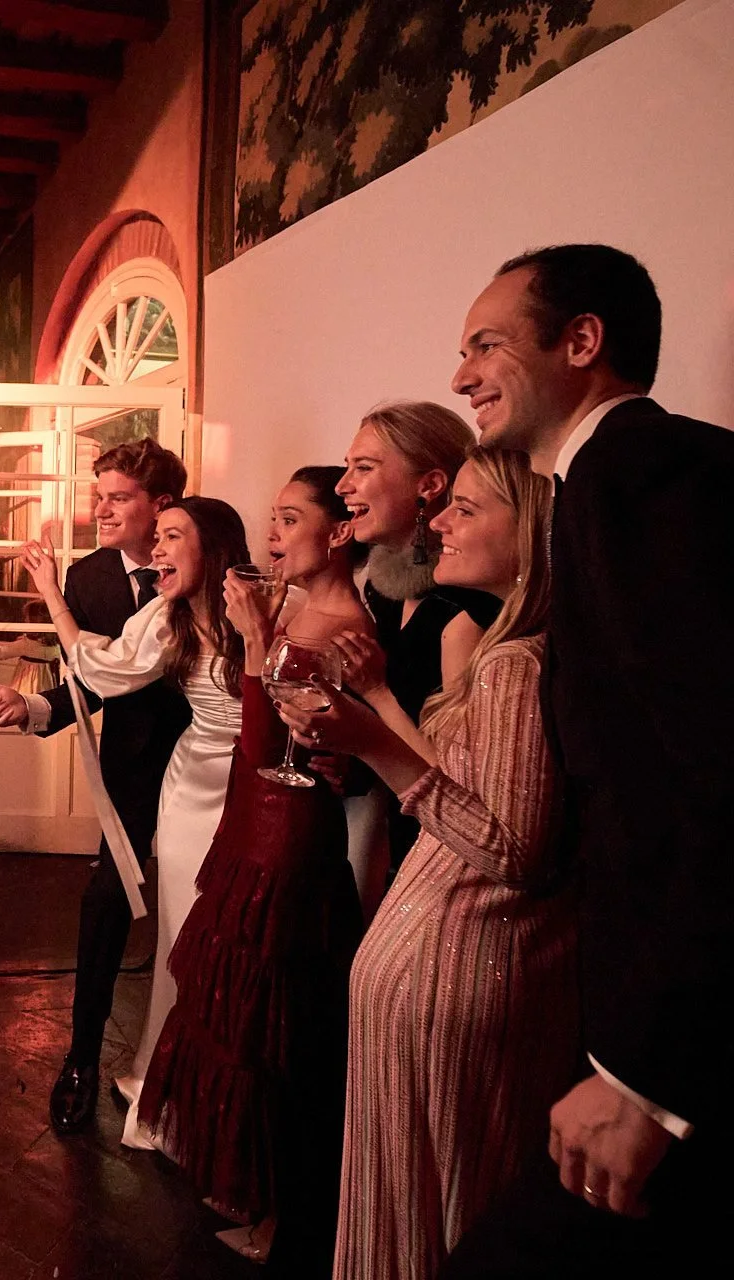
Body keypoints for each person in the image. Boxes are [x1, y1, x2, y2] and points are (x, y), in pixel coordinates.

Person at [439, 247, 732, 1277]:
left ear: (581, 340)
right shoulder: (596, 487)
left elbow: (714, 780)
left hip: (677, 1045)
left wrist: (647, 1076)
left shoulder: (640, 473)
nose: (463, 372)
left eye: (485, 342)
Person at [279, 449, 576, 1280]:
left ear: (538, 537)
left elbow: (511, 847)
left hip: (457, 977)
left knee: (428, 1231)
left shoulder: (517, 661)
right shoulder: (505, 654)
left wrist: (371, 733)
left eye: (468, 510)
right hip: (433, 973)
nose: (439, 520)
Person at [137, 467, 371, 1270]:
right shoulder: (297, 607)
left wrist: (258, 642)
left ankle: (282, 1214)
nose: (272, 533)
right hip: (248, 819)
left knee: (271, 1014)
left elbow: (270, 750)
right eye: (269, 518)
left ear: (338, 533)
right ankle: (254, 1188)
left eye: (291, 518)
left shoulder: (340, 623)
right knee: (229, 1001)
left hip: (285, 831)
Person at [0, 439, 193, 1136]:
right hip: (128, 766)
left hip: (207, 764)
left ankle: (187, 1066)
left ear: (163, 505)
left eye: (117, 498)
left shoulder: (199, 560)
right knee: (104, 902)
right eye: (99, 497)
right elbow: (91, 678)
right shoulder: (88, 577)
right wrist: (32, 708)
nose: (101, 511)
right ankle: (81, 1059)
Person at [335, 401, 499, 911]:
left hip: (455, 857)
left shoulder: (470, 608)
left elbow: (456, 780)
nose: (343, 486)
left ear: (429, 485)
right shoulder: (382, 591)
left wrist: (373, 694)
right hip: (399, 833)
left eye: (363, 468)